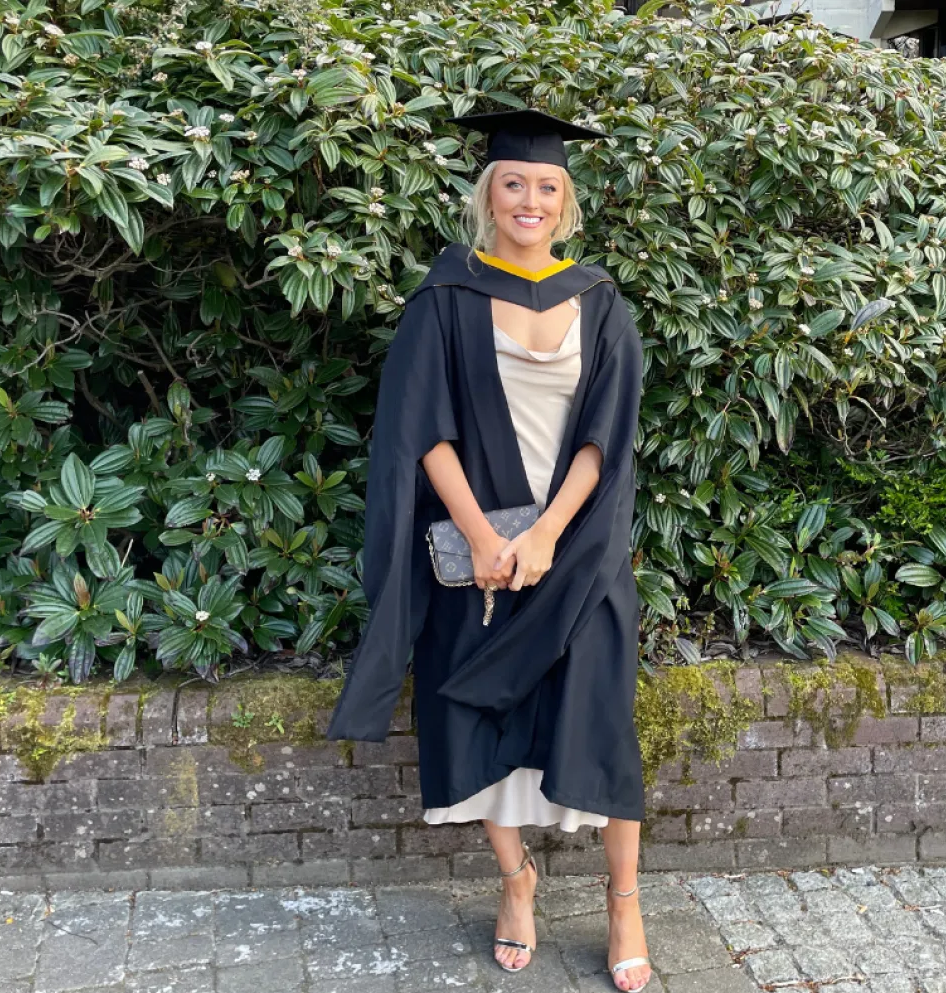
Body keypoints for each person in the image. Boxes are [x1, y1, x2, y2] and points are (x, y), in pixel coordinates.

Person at [325, 108, 651, 992]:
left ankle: (624, 900)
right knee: (467, 714)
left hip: (577, 548)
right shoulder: (448, 296)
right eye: (514, 183)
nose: (530, 200)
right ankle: (518, 883)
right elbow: (422, 430)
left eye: (547, 186)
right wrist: (484, 537)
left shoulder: (599, 299)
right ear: (488, 194)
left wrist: (546, 533)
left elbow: (604, 439)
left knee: (600, 718)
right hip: (480, 555)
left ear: (566, 201)